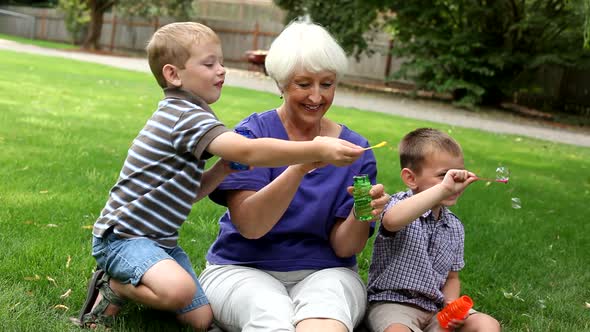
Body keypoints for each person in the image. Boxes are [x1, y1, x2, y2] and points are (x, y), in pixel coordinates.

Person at [71, 21, 366, 330]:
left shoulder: (196, 114)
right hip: (125, 236)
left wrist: (221, 170)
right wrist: (312, 151)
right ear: (174, 74)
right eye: (210, 64)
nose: (222, 70)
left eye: (221, 62)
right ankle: (116, 286)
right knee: (179, 291)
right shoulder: (183, 116)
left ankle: (147, 282)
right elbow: (248, 151)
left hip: (161, 241)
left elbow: (186, 191)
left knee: (200, 319)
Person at [198, 21, 389, 332]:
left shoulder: (355, 150)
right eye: (304, 84)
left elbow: (345, 249)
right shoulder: (252, 137)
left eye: (327, 84)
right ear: (281, 83)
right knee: (271, 316)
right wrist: (301, 164)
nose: (316, 96)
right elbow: (251, 226)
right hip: (242, 268)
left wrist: (361, 212)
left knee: (326, 321)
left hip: (326, 272)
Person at [365, 128, 501, 332]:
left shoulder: (454, 226)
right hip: (393, 305)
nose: (453, 183)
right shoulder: (399, 206)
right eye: (444, 176)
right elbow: (391, 221)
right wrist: (443, 189)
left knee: (488, 324)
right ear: (411, 179)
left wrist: (451, 305)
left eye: (456, 175)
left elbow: (452, 277)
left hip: (435, 308)